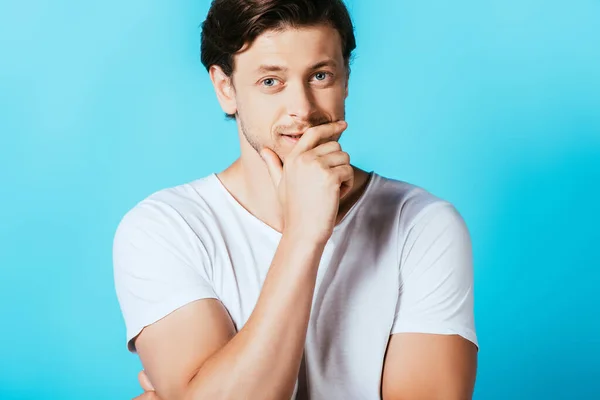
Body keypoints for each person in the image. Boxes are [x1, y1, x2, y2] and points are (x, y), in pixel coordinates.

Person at [112, 0, 479, 399]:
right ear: (225, 88)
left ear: (346, 79)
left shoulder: (421, 226)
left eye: (320, 76)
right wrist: (302, 235)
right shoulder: (164, 229)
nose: (302, 110)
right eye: (271, 81)